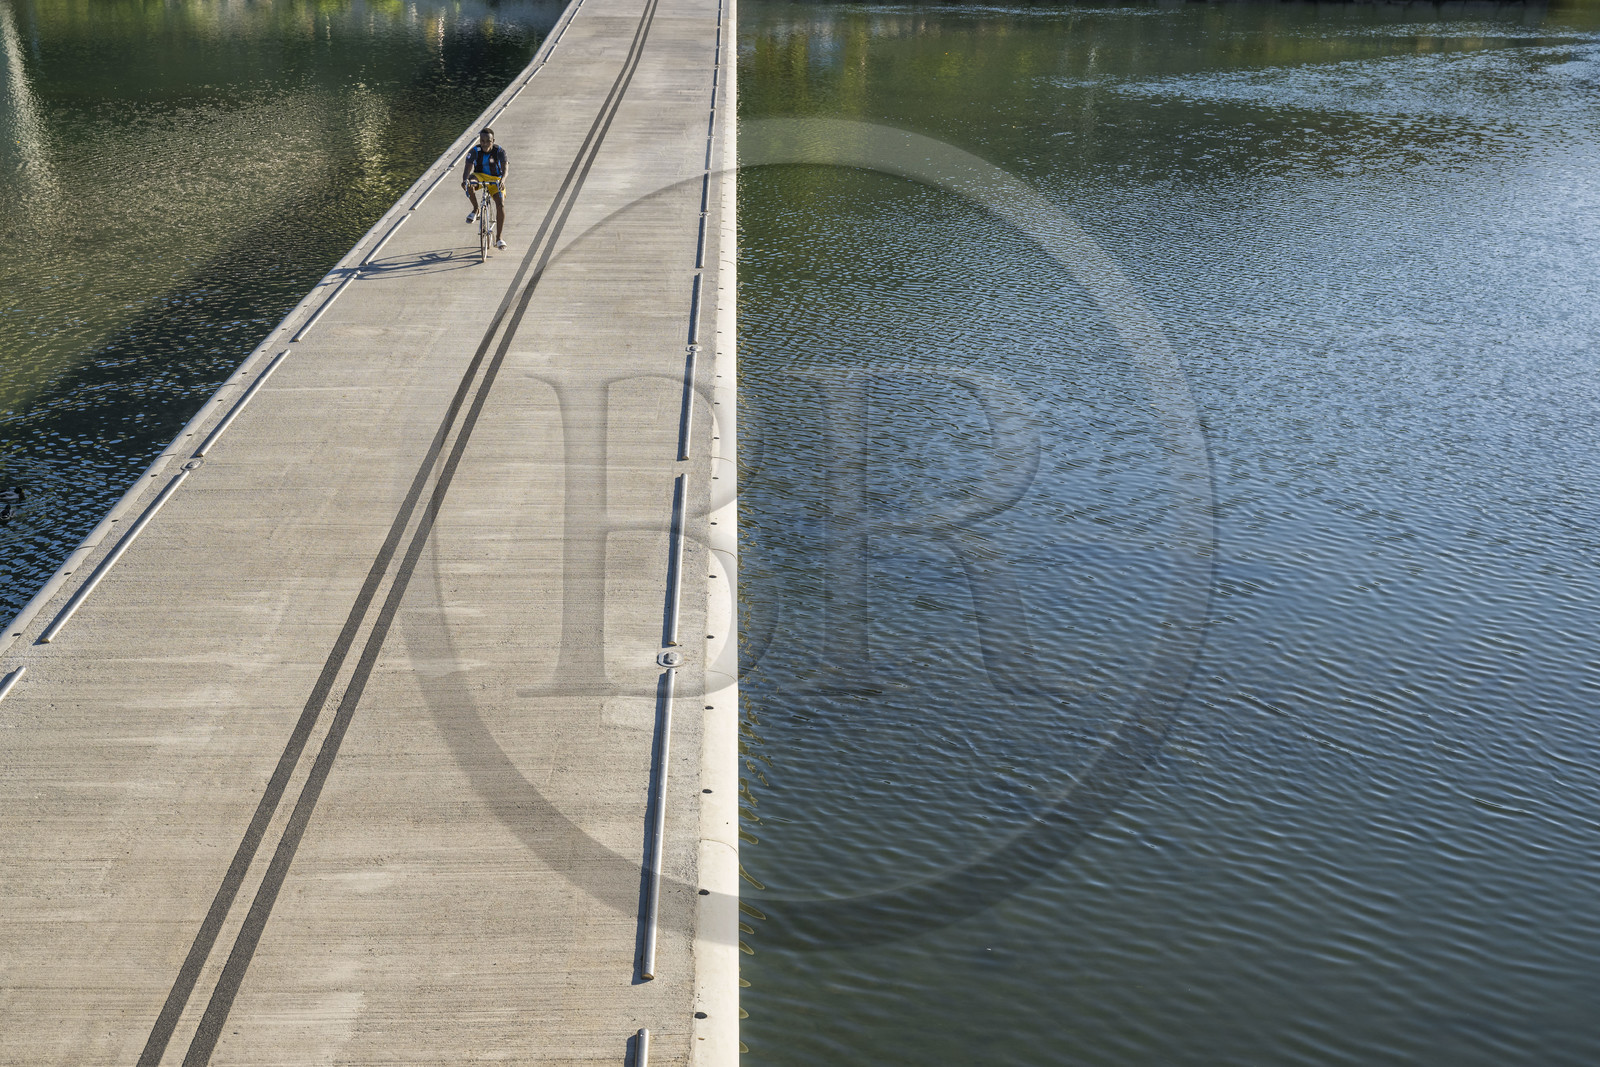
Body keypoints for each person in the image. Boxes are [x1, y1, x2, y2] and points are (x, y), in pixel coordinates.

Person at [462, 127, 508, 250]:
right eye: (482, 141)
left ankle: (499, 238)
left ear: (493, 141)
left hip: (495, 179)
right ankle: (476, 209)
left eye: (488, 141)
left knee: (500, 204)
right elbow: (467, 169)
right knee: (469, 184)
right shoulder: (474, 151)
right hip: (479, 176)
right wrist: (465, 180)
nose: (485, 144)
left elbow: (505, 170)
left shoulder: (499, 151)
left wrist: (502, 181)